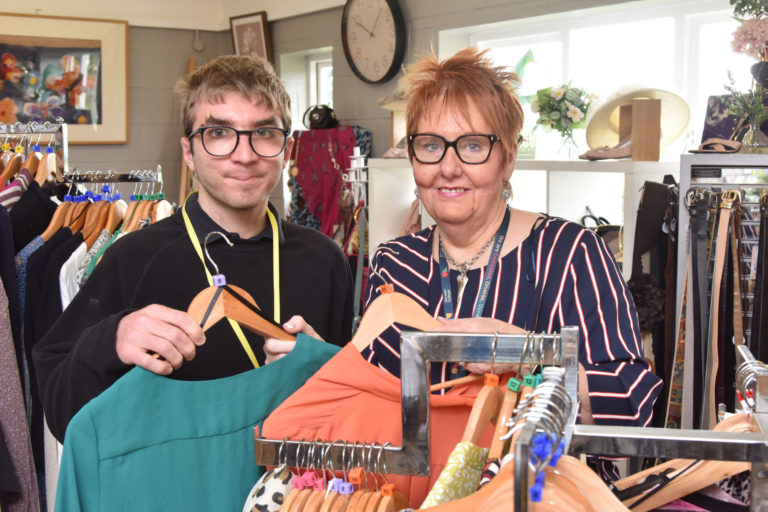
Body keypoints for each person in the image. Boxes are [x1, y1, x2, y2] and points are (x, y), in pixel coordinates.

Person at [32, 55, 354, 442]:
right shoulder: (132, 258)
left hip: (295, 493)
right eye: (219, 133)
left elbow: (348, 413)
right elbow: (60, 413)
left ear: (286, 150)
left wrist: (324, 368)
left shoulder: (325, 260)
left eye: (264, 132)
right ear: (189, 152)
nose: (245, 154)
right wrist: (112, 340)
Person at [361, 47, 662, 433]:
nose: (448, 168)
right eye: (431, 146)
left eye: (473, 145)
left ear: (508, 160)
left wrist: (529, 352)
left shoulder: (570, 253)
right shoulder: (394, 263)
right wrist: (320, 359)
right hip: (417, 489)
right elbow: (370, 394)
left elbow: (631, 404)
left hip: (533, 486)